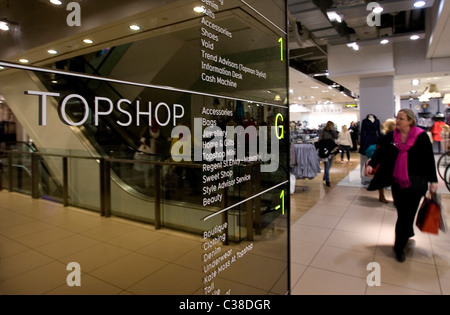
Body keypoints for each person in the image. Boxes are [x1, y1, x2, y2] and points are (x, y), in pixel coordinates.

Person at [365, 109, 438, 262]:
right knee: (403, 212)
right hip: (398, 182)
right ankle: (407, 231)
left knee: (407, 214)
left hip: (416, 182)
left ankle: (399, 247)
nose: (397, 121)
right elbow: (381, 152)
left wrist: (433, 181)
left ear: (410, 121)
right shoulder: (392, 137)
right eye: (397, 118)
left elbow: (428, 159)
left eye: (401, 118)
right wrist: (372, 164)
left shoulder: (421, 136)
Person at [376, 118, 396, 203]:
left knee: (394, 179)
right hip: (385, 159)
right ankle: (381, 195)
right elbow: (380, 148)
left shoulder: (396, 135)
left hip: (394, 159)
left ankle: (395, 198)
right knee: (383, 178)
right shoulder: (383, 135)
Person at [318, 121, 338, 187]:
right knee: (327, 165)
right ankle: (327, 180)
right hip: (325, 151)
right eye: (332, 126)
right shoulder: (322, 132)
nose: (332, 127)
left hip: (331, 151)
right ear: (329, 125)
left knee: (329, 166)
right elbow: (320, 141)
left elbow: (336, 137)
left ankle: (325, 176)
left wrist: (332, 131)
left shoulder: (332, 132)